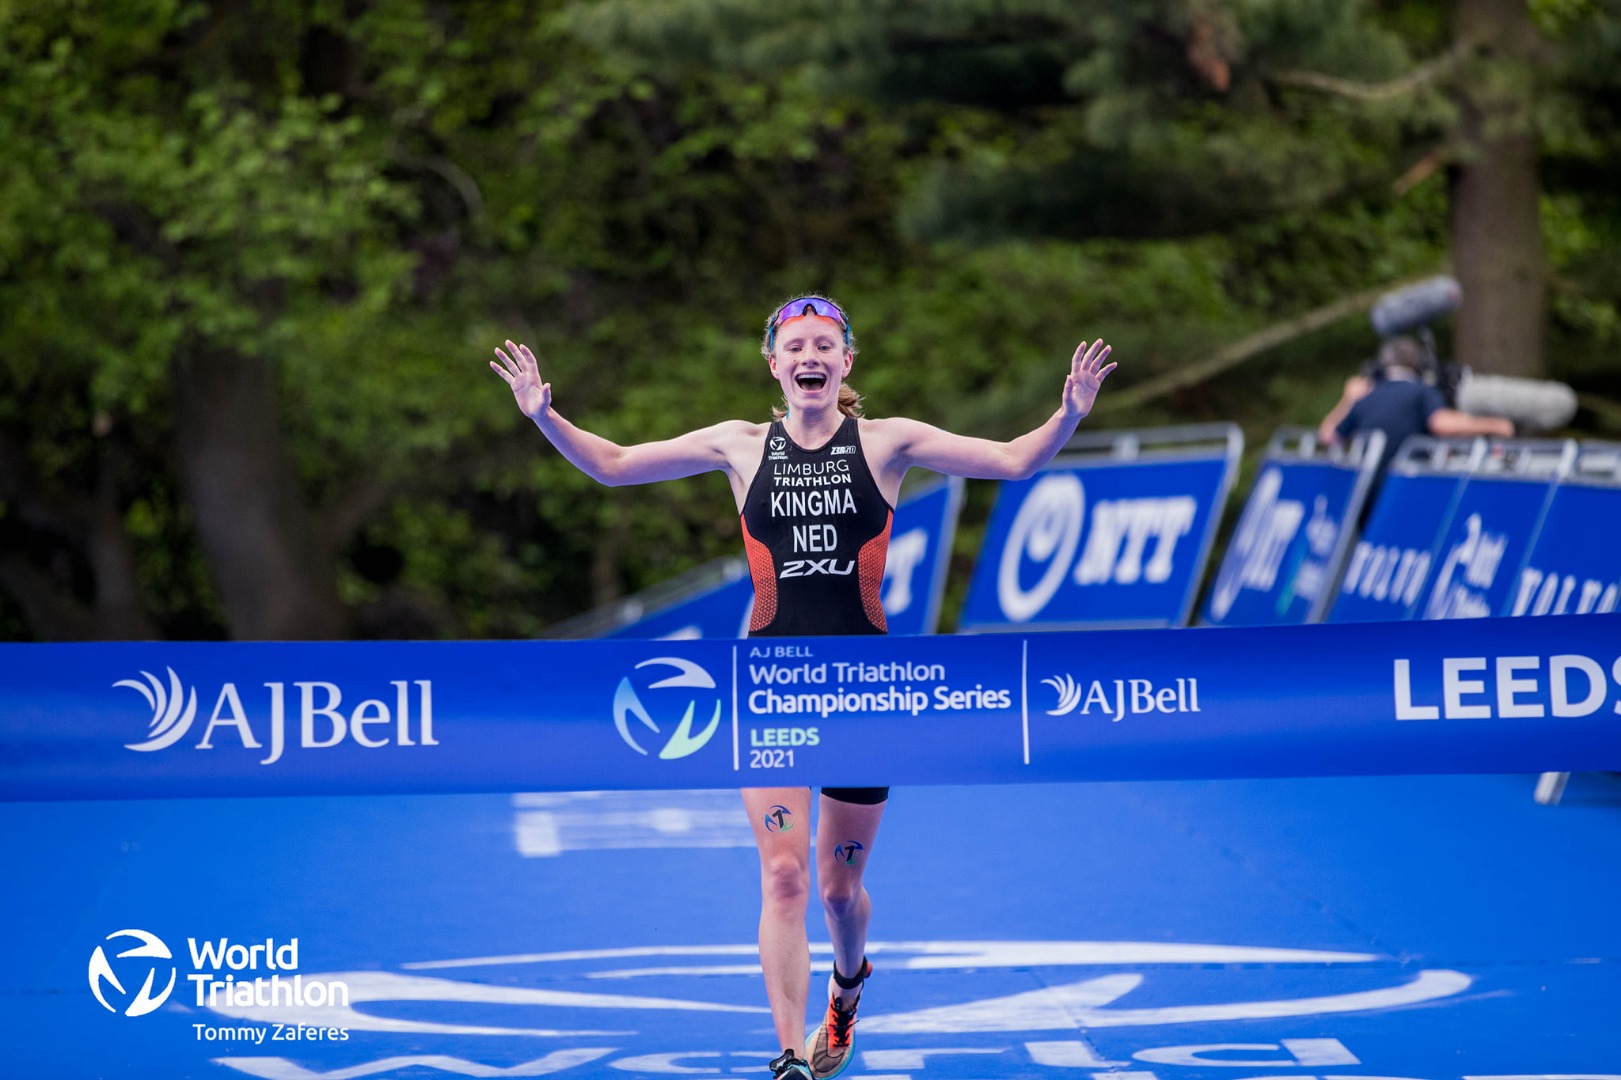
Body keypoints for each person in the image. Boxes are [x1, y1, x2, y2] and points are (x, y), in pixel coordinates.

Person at [491, 296, 1115, 1080]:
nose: (810, 356)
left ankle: (848, 984)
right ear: (775, 364)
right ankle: (787, 1055)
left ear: (845, 363)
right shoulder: (739, 445)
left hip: (862, 692)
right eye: (796, 346)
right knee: (783, 875)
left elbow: (1014, 461)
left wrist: (1067, 413)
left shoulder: (889, 443)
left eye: (825, 344)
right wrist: (545, 415)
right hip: (771, 687)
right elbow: (613, 466)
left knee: (837, 890)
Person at [1318, 335, 1513, 476]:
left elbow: (1328, 435)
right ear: (1417, 365)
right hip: (1403, 488)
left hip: (1365, 493)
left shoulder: (1367, 396)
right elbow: (1442, 424)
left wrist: (1348, 399)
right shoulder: (1421, 391)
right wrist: (1495, 425)